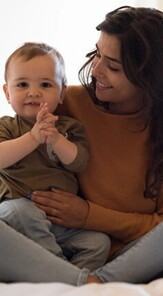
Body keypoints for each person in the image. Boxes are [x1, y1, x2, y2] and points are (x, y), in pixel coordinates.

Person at [0, 6, 163, 285]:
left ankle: (91, 281)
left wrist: (88, 216)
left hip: (131, 256)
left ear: (148, 77)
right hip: (47, 241)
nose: (96, 70)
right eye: (97, 55)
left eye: (113, 66)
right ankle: (83, 283)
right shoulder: (65, 104)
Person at [0, 42, 110, 271]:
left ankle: (64, 280)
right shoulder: (6, 127)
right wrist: (32, 138)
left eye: (45, 84)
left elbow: (79, 162)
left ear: (61, 93)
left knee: (99, 243)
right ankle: (62, 275)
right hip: (15, 210)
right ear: (7, 93)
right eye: (22, 84)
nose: (34, 92)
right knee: (23, 212)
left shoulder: (69, 127)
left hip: (58, 222)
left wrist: (57, 140)